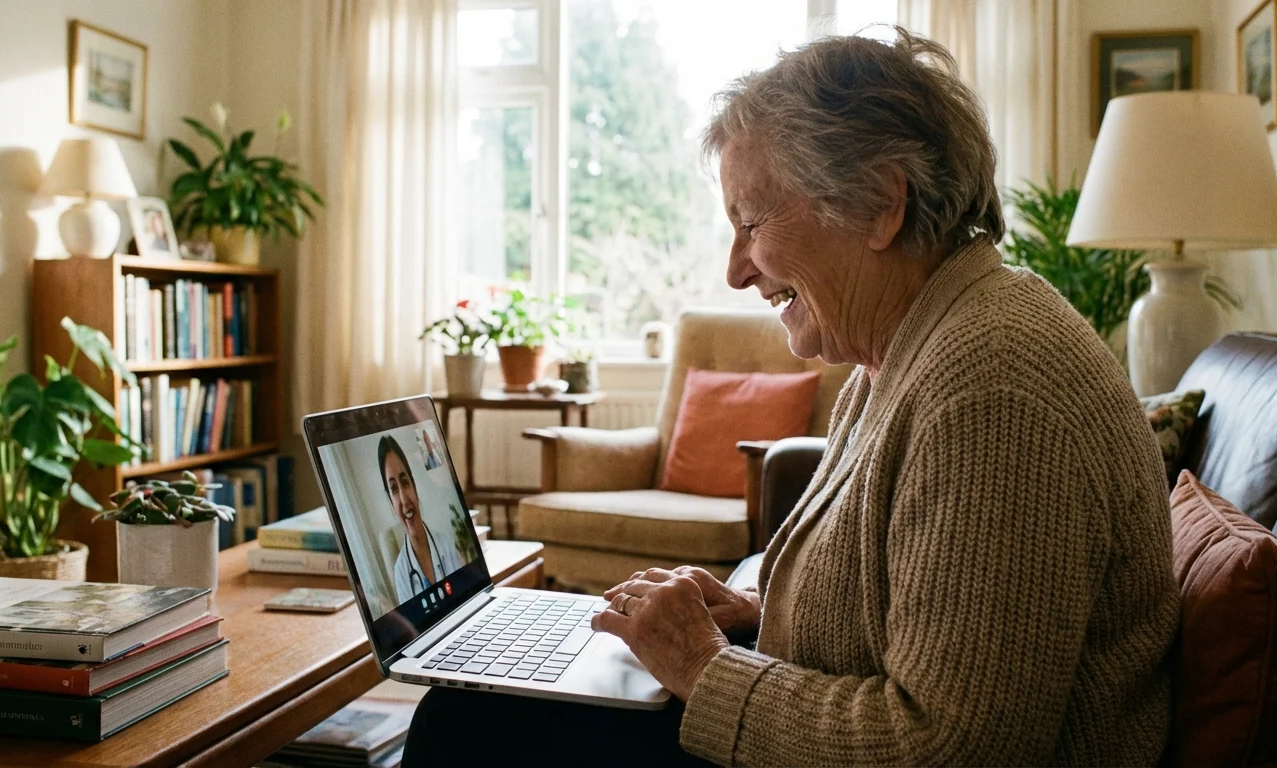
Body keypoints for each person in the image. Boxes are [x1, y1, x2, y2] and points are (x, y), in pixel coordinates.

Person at [404, 28, 1178, 766]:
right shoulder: (908, 347)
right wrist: (758, 620)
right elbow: (901, 617)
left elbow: (950, 748)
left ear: (881, 202)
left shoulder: (992, 389)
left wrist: (706, 667)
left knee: (465, 724)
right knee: (482, 705)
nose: (737, 270)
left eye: (751, 221)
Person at [379, 435, 464, 605]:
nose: (404, 500)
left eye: (405, 482)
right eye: (394, 489)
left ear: (414, 487)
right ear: (390, 502)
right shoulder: (401, 572)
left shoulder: (446, 545)